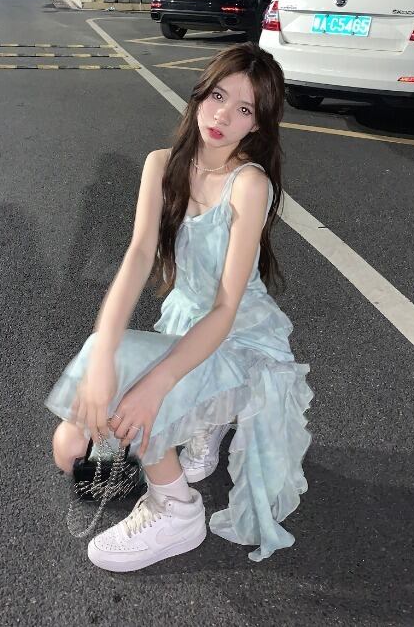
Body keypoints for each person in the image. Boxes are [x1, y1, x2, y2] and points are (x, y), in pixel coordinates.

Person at [46, 42, 314, 572]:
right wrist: (102, 360)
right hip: (185, 322)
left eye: (244, 109)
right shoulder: (161, 165)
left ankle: (178, 512)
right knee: (69, 447)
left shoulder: (249, 184)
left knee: (140, 399)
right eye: (218, 96)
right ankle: (198, 419)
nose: (222, 116)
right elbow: (138, 256)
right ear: (200, 94)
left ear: (257, 125)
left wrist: (152, 385)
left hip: (235, 337)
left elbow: (226, 309)